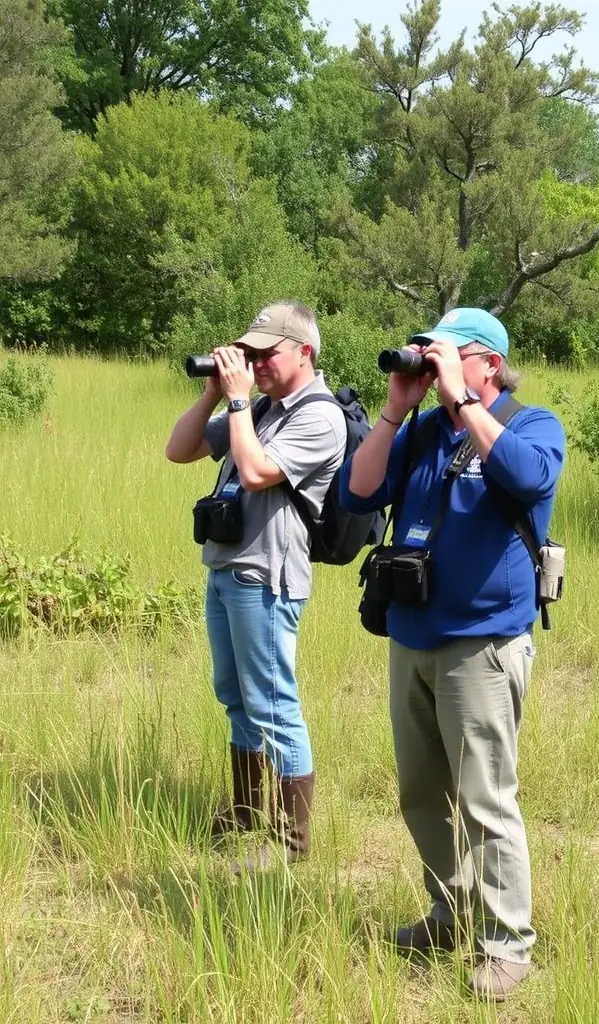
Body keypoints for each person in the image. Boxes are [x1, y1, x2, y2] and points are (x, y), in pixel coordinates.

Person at [339, 308, 565, 1001]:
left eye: (448, 354)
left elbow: (527, 480)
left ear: (489, 364)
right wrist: (392, 411)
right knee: (419, 793)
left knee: (484, 798)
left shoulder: (532, 425)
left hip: (484, 641)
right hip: (411, 635)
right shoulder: (424, 430)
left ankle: (507, 944)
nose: (431, 364)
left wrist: (463, 403)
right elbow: (358, 490)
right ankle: (451, 913)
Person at [165, 302, 346, 866]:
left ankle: (290, 846)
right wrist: (214, 393)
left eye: (268, 352)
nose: (256, 362)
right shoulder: (260, 407)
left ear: (304, 352)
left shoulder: (320, 416)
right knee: (236, 698)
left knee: (274, 705)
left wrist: (241, 400)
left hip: (267, 575)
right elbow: (180, 449)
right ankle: (246, 812)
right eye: (251, 352)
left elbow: (256, 472)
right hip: (226, 568)